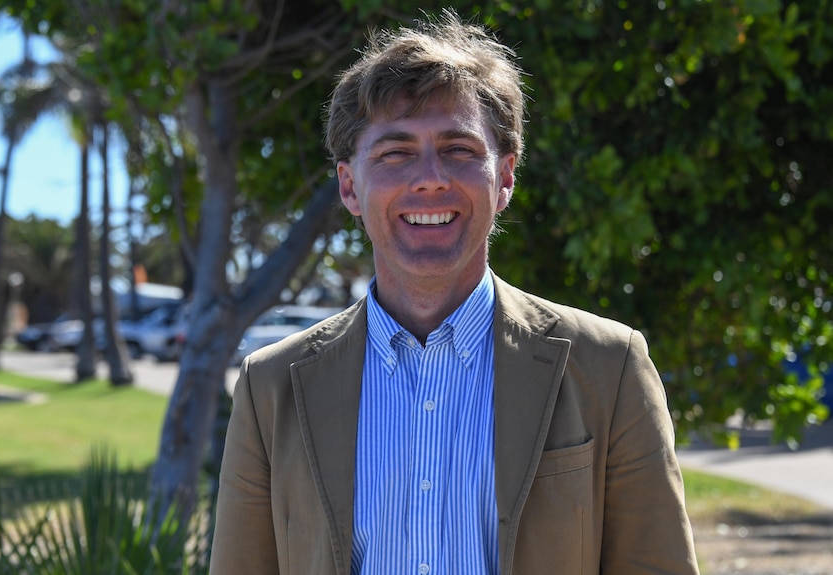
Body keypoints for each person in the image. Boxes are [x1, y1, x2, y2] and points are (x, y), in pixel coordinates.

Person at [210, 11, 699, 575]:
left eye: (459, 149)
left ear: (506, 177)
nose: (430, 178)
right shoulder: (270, 388)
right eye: (395, 153)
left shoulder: (608, 369)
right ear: (349, 186)